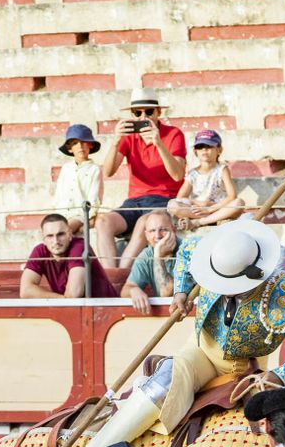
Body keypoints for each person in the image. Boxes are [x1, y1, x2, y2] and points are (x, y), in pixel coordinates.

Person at [62, 218, 285, 447]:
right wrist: (181, 291)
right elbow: (188, 249)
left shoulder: (281, 294)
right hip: (201, 350)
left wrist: (280, 375)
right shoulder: (213, 252)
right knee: (165, 378)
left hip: (247, 367)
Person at [93, 89, 186, 269]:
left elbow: (177, 175)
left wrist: (158, 143)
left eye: (149, 112)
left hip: (165, 199)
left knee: (145, 223)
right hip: (134, 201)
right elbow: (108, 172)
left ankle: (119, 275)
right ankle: (111, 274)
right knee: (102, 222)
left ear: (159, 112)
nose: (144, 117)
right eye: (138, 113)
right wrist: (115, 140)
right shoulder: (129, 137)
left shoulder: (174, 134)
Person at [20, 213, 117, 299]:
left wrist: (61, 299)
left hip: (107, 309)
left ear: (70, 234)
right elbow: (25, 291)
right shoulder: (40, 251)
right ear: (43, 239)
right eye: (50, 236)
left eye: (61, 234)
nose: (56, 241)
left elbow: (74, 294)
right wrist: (61, 299)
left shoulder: (79, 247)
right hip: (77, 311)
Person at [167, 130, 244, 230]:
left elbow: (232, 196)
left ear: (219, 150)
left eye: (209, 146)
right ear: (195, 152)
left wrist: (210, 209)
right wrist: (199, 204)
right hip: (198, 211)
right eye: (200, 147)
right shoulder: (192, 174)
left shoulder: (222, 170)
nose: (204, 150)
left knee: (239, 203)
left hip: (217, 209)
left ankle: (199, 222)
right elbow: (181, 197)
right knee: (173, 205)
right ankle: (214, 219)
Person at [54, 123, 106, 261]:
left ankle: (62, 260)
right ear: (70, 149)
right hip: (62, 212)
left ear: (91, 145)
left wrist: (89, 215)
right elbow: (59, 193)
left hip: (80, 213)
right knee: (50, 230)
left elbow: (94, 197)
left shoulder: (94, 169)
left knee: (65, 231)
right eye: (76, 143)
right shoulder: (66, 168)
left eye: (84, 143)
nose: (80, 147)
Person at [122, 210, 180, 313]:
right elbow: (125, 291)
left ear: (174, 230)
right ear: (146, 235)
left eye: (163, 230)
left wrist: (158, 255)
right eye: (152, 231)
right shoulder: (146, 255)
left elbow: (167, 292)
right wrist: (133, 290)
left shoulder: (186, 250)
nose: (157, 236)